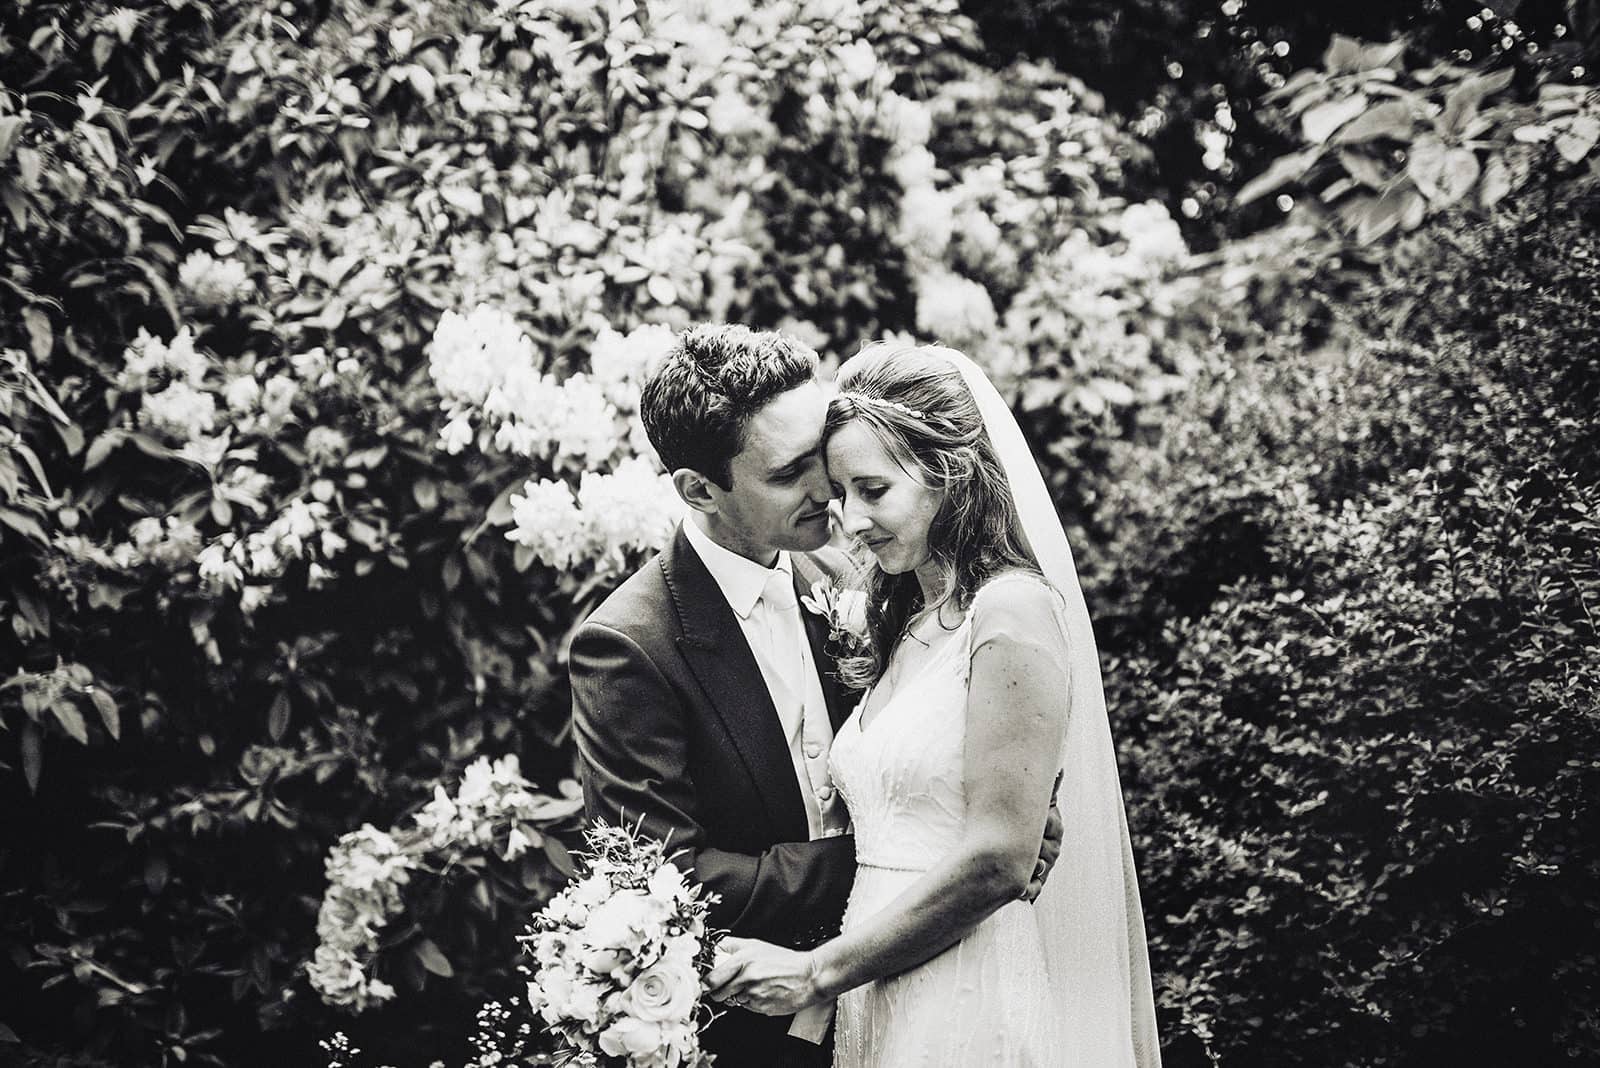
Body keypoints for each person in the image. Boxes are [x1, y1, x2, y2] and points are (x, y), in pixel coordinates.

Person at [568, 325, 1063, 1066]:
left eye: (828, 453)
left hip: (935, 989)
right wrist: (925, 849)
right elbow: (660, 877)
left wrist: (1009, 806)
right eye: (792, 471)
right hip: (759, 1031)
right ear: (699, 490)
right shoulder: (629, 644)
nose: (831, 491)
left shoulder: (858, 570)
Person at [707, 342, 1161, 1068]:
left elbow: (999, 859)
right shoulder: (910, 616)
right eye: (842, 493)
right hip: (879, 994)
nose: (849, 521)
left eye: (873, 490)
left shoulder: (1011, 612)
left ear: (949, 474)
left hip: (965, 992)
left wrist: (815, 971)